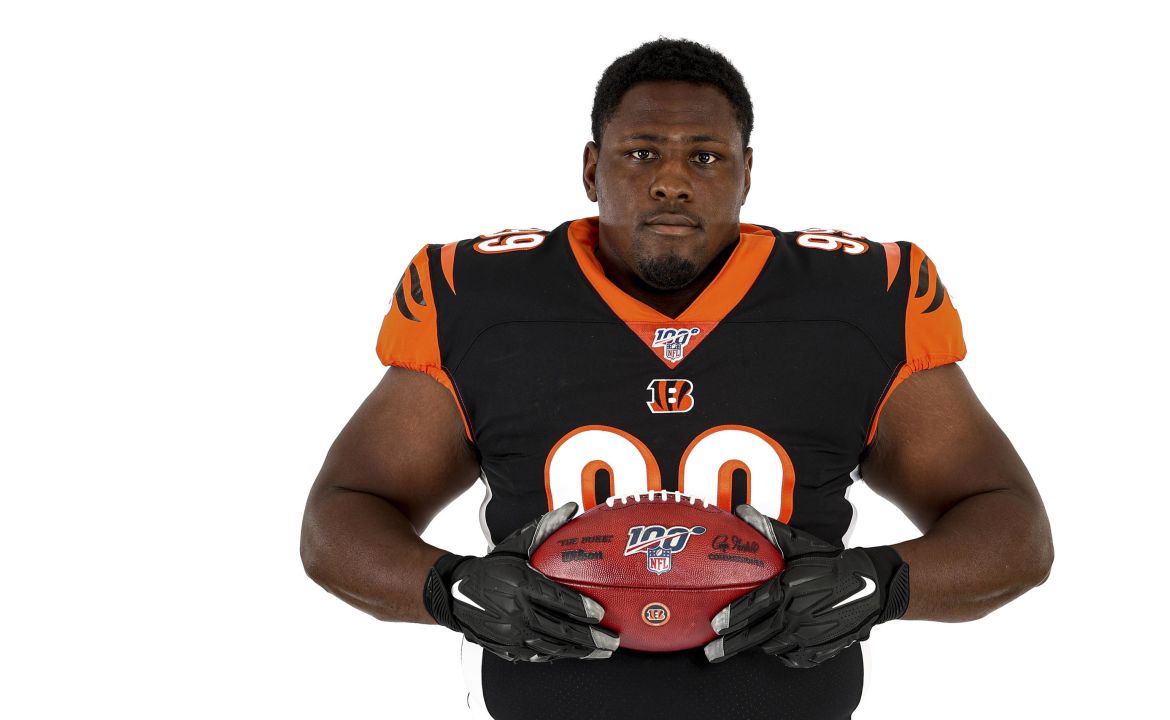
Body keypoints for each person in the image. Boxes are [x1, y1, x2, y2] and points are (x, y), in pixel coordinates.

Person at [301, 38, 1053, 720]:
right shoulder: (483, 298)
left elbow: (1010, 527)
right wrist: (451, 589)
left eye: (704, 156)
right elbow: (342, 515)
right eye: (640, 154)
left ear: (748, 172)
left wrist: (881, 584)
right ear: (592, 169)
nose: (670, 181)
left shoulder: (857, 302)